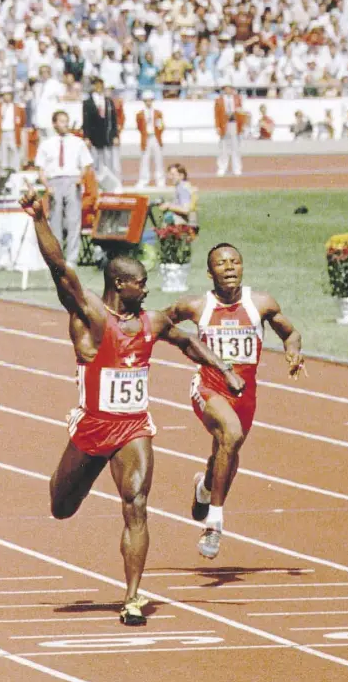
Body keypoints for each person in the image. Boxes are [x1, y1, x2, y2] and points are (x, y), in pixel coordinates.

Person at [19, 190, 244, 625]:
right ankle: (66, 483)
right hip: (91, 428)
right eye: (141, 283)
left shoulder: (152, 321)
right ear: (121, 284)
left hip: (132, 429)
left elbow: (189, 341)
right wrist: (39, 220)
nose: (147, 289)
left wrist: (224, 370)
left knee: (136, 504)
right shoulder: (90, 318)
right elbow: (59, 268)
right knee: (61, 507)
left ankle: (132, 598)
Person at [164, 243, 304, 560]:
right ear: (209, 272)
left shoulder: (262, 304)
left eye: (235, 262)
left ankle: (204, 488)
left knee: (226, 450)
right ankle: (214, 525)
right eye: (221, 263)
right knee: (231, 433)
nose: (229, 267)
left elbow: (290, 333)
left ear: (242, 267)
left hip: (245, 394)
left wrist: (293, 351)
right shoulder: (196, 306)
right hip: (209, 386)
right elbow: (157, 324)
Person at [35, 110, 94, 268]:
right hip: (55, 181)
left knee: (73, 220)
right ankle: (57, 257)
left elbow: (86, 164)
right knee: (55, 221)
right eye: (61, 121)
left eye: (66, 121)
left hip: (72, 180)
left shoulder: (77, 142)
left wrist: (79, 179)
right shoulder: (47, 144)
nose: (65, 124)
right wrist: (47, 186)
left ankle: (72, 259)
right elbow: (41, 169)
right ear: (54, 124)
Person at [82, 77, 118, 175]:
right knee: (95, 161)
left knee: (108, 161)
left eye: (100, 85)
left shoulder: (108, 101)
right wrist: (86, 137)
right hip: (94, 135)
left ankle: (110, 181)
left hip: (106, 134)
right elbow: (86, 121)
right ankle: (96, 180)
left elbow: (113, 120)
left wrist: (115, 135)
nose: (99, 87)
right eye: (96, 85)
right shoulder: (87, 103)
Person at [214, 82, 245, 177]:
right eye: (226, 88)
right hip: (224, 124)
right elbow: (216, 115)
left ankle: (237, 168)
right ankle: (222, 167)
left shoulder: (237, 99)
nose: (228, 90)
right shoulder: (219, 100)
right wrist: (218, 126)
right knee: (223, 147)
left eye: (230, 88)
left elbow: (241, 112)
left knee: (236, 147)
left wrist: (242, 125)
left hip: (234, 124)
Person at [136, 90, 165, 188]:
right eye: (146, 101)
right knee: (145, 159)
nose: (148, 103)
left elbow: (161, 126)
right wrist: (145, 134)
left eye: (150, 100)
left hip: (155, 137)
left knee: (158, 159)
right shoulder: (140, 114)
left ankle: (160, 180)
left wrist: (158, 132)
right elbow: (139, 127)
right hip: (146, 138)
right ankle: (144, 180)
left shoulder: (158, 113)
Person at [0, 86, 26, 172]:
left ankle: (15, 171)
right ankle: (4, 174)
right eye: (4, 95)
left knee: (15, 153)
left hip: (13, 133)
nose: (6, 97)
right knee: (3, 155)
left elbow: (22, 121)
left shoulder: (18, 108)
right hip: (3, 133)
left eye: (8, 95)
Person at [159, 163, 198, 229]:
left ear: (181, 176)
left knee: (167, 218)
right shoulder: (182, 186)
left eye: (173, 175)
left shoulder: (182, 188)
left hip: (186, 225)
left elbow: (186, 210)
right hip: (188, 222)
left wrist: (169, 206)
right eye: (169, 174)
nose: (170, 177)